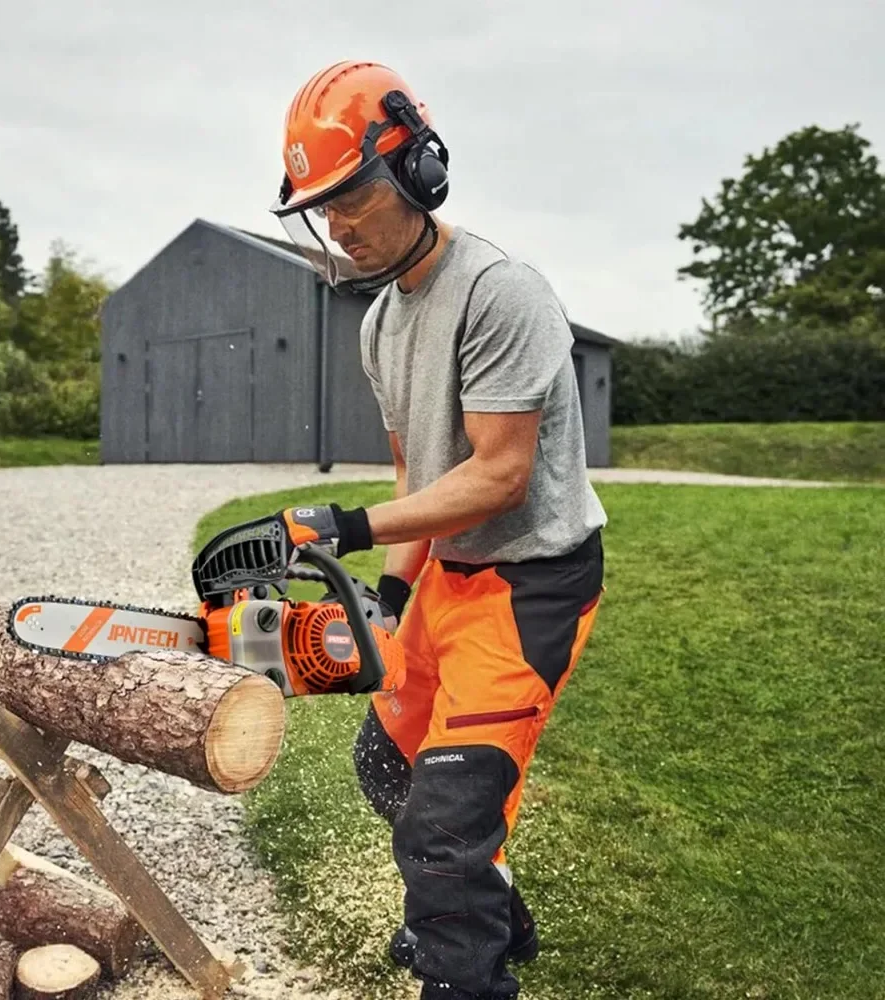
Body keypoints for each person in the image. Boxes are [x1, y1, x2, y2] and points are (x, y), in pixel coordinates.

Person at [262, 60, 609, 1000]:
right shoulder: (380, 324)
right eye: (322, 208)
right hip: (449, 580)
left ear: (418, 169)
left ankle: (465, 958)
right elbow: (422, 475)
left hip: (529, 586)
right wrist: (387, 594)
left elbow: (497, 476)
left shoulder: (503, 294)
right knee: (386, 762)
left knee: (444, 831)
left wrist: (345, 524)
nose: (340, 224)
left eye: (353, 196)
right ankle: (492, 919)